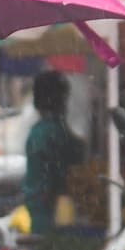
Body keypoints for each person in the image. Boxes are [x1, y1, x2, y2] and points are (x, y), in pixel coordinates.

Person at [23, 70, 85, 235]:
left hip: (43, 216)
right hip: (60, 216)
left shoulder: (39, 133)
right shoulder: (59, 133)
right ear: (62, 100)